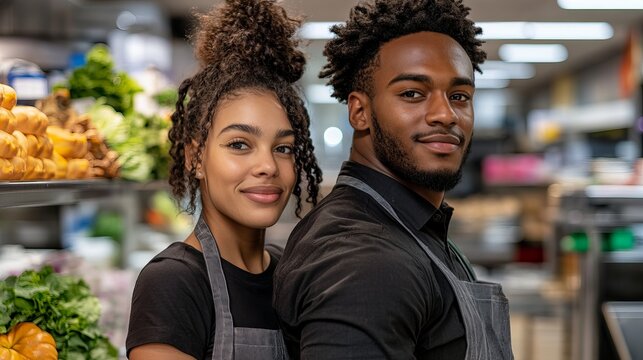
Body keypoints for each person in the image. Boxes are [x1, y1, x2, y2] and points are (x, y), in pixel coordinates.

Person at [273, 0, 513, 359]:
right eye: (412, 94)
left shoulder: (411, 228)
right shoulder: (364, 262)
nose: (445, 114)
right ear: (360, 112)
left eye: (459, 96)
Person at [126, 0, 322, 359]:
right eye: (239, 144)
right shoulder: (172, 282)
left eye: (284, 148)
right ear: (195, 157)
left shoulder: (289, 273)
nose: (267, 166)